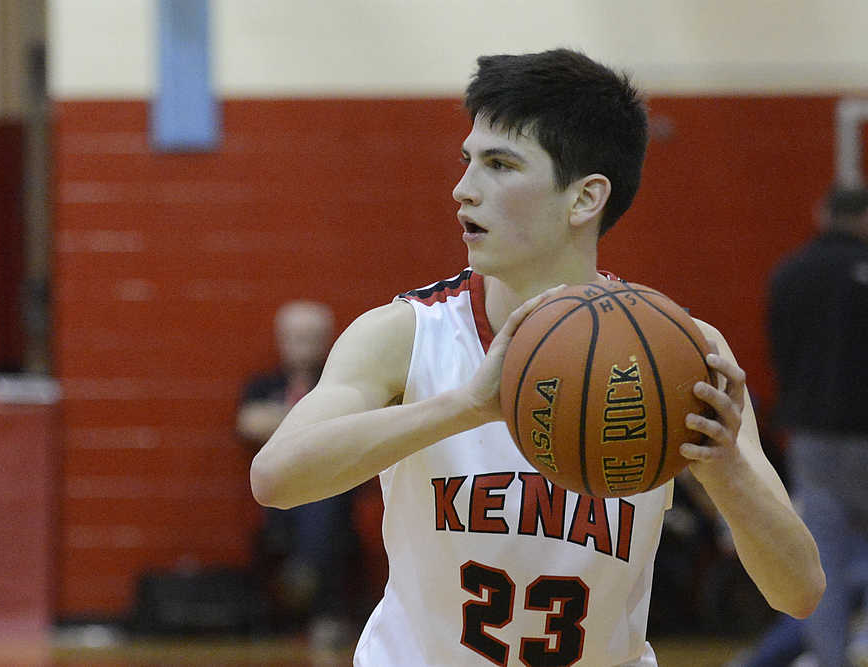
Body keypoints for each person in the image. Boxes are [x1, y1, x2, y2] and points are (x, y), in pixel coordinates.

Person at [251, 49, 824, 665]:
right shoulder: (404, 334)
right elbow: (277, 477)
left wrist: (725, 475)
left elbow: (799, 592)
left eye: (500, 165)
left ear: (584, 199)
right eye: (467, 160)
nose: (463, 189)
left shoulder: (679, 354)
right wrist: (469, 406)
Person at [767, 186, 868, 667]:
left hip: (812, 435)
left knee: (822, 557)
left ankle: (830, 659)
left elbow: (779, 352)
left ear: (821, 214)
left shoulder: (790, 272)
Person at [237, 300, 359, 647]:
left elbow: (354, 422)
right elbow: (248, 422)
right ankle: (308, 583)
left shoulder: (340, 381)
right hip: (274, 491)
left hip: (332, 489)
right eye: (295, 337)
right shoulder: (263, 383)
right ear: (281, 339)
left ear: (326, 341)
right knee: (298, 502)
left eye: (310, 337)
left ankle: (309, 577)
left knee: (324, 502)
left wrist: (283, 421)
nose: (302, 346)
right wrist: (315, 421)